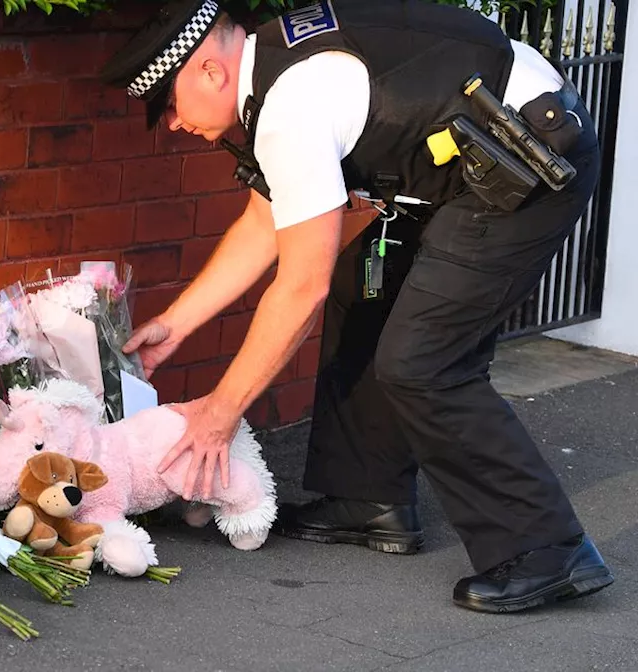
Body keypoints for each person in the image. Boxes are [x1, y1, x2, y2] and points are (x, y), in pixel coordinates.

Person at [101, 0, 614, 613]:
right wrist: (175, 325)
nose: (175, 124)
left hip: (528, 163)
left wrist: (221, 412)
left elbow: (299, 287)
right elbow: (268, 220)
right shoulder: (272, 74)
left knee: (424, 363)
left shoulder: (290, 103)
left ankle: (548, 549)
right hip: (475, 163)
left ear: (210, 71)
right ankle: (369, 500)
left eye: (171, 104)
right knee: (362, 284)